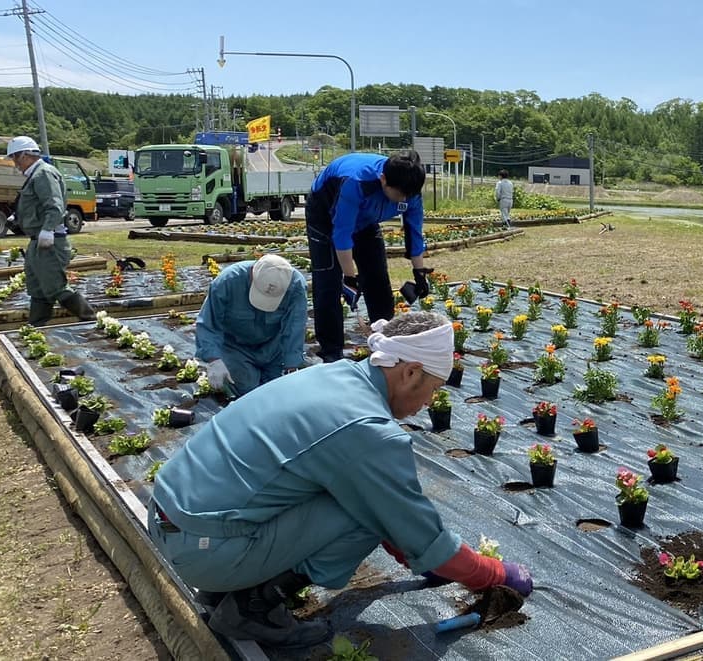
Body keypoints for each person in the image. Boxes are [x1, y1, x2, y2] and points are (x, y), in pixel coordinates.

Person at [149, 311, 534, 647]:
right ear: (410, 372)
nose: (430, 402)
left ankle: (228, 590)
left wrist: (420, 557)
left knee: (362, 501)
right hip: (202, 549)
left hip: (169, 516)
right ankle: (253, 607)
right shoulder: (367, 429)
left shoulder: (336, 374)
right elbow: (406, 524)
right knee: (363, 515)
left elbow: (398, 519)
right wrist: (494, 574)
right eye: (433, 388)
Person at [306, 150, 433, 363]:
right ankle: (331, 353)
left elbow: (414, 231)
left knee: (378, 279)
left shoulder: (410, 190)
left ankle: (385, 341)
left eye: (408, 195)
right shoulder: (356, 182)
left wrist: (419, 272)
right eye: (399, 194)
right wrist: (349, 278)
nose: (403, 200)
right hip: (325, 216)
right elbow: (342, 234)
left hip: (366, 220)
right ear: (383, 180)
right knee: (328, 283)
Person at [7, 136, 95, 326]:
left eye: (14, 158)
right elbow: (37, 204)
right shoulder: (35, 175)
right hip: (37, 240)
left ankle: (92, 320)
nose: (15, 163)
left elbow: (54, 206)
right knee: (37, 288)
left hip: (50, 241)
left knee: (56, 287)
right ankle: (36, 327)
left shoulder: (43, 174)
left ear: (25, 155)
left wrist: (47, 230)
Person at [194, 254, 308, 397]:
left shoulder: (295, 285)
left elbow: (295, 326)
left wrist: (291, 366)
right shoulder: (228, 282)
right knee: (248, 393)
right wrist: (214, 360)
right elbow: (209, 323)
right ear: (252, 274)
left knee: (278, 391)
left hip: (273, 347)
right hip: (236, 347)